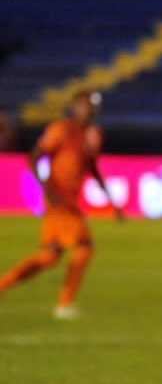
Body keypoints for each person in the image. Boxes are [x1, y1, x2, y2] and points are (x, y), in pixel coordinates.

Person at [0, 91, 122, 318]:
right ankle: (64, 304)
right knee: (85, 246)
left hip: (68, 201)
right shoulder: (61, 129)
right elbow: (35, 156)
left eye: (94, 107)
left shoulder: (92, 135)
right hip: (59, 199)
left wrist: (112, 201)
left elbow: (92, 168)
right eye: (86, 105)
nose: (90, 110)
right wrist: (46, 187)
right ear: (74, 106)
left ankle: (3, 285)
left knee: (50, 257)